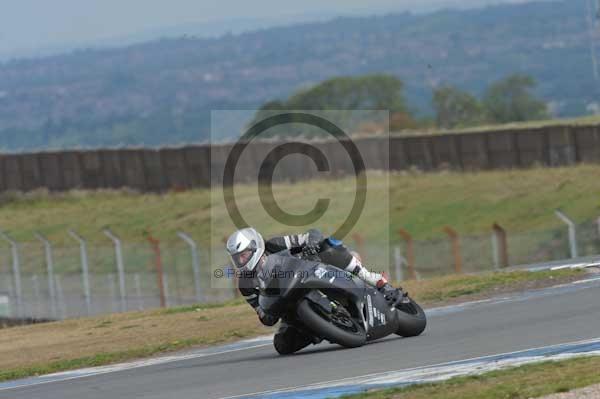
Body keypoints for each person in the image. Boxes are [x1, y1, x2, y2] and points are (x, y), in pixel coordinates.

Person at [225, 227, 406, 354]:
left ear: (255, 247)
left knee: (328, 246)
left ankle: (378, 282)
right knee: (282, 345)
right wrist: (268, 312)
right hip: (289, 306)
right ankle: (320, 329)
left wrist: (311, 243)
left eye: (244, 254)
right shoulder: (246, 284)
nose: (241, 260)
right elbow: (263, 315)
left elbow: (310, 235)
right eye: (237, 258)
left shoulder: (274, 244)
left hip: (309, 274)